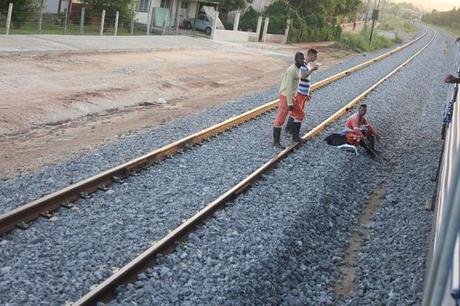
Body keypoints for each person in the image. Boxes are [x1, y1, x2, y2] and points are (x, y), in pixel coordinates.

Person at [285, 49, 319, 141]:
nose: (316, 59)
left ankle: (289, 130)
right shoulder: (303, 65)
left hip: (303, 93)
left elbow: (306, 80)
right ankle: (292, 133)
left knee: (297, 112)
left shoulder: (306, 65)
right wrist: (312, 69)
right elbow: (303, 76)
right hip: (300, 92)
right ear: (310, 56)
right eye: (315, 57)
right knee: (298, 113)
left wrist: (308, 93)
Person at [273, 52, 304, 148]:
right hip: (286, 96)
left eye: (303, 59)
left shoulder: (298, 69)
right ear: (296, 60)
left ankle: (295, 137)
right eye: (300, 59)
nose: (302, 61)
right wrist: (290, 103)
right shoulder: (291, 70)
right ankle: (276, 142)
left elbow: (295, 85)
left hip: (291, 97)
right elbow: (288, 87)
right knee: (280, 119)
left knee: (300, 114)